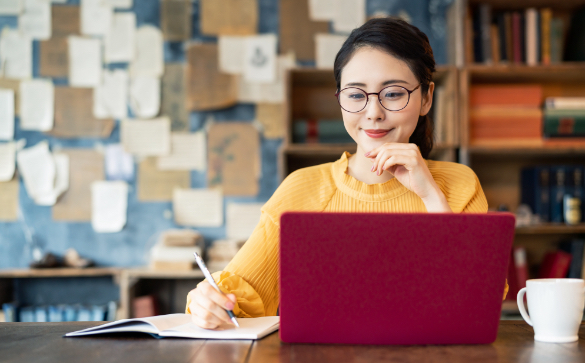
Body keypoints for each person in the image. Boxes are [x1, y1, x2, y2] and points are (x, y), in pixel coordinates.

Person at [186, 17, 508, 329]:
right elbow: (239, 299)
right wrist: (208, 303)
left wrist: (430, 196)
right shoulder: (302, 188)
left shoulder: (459, 184)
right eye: (356, 95)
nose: (373, 113)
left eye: (393, 93)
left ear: (426, 98)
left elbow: (481, 298)